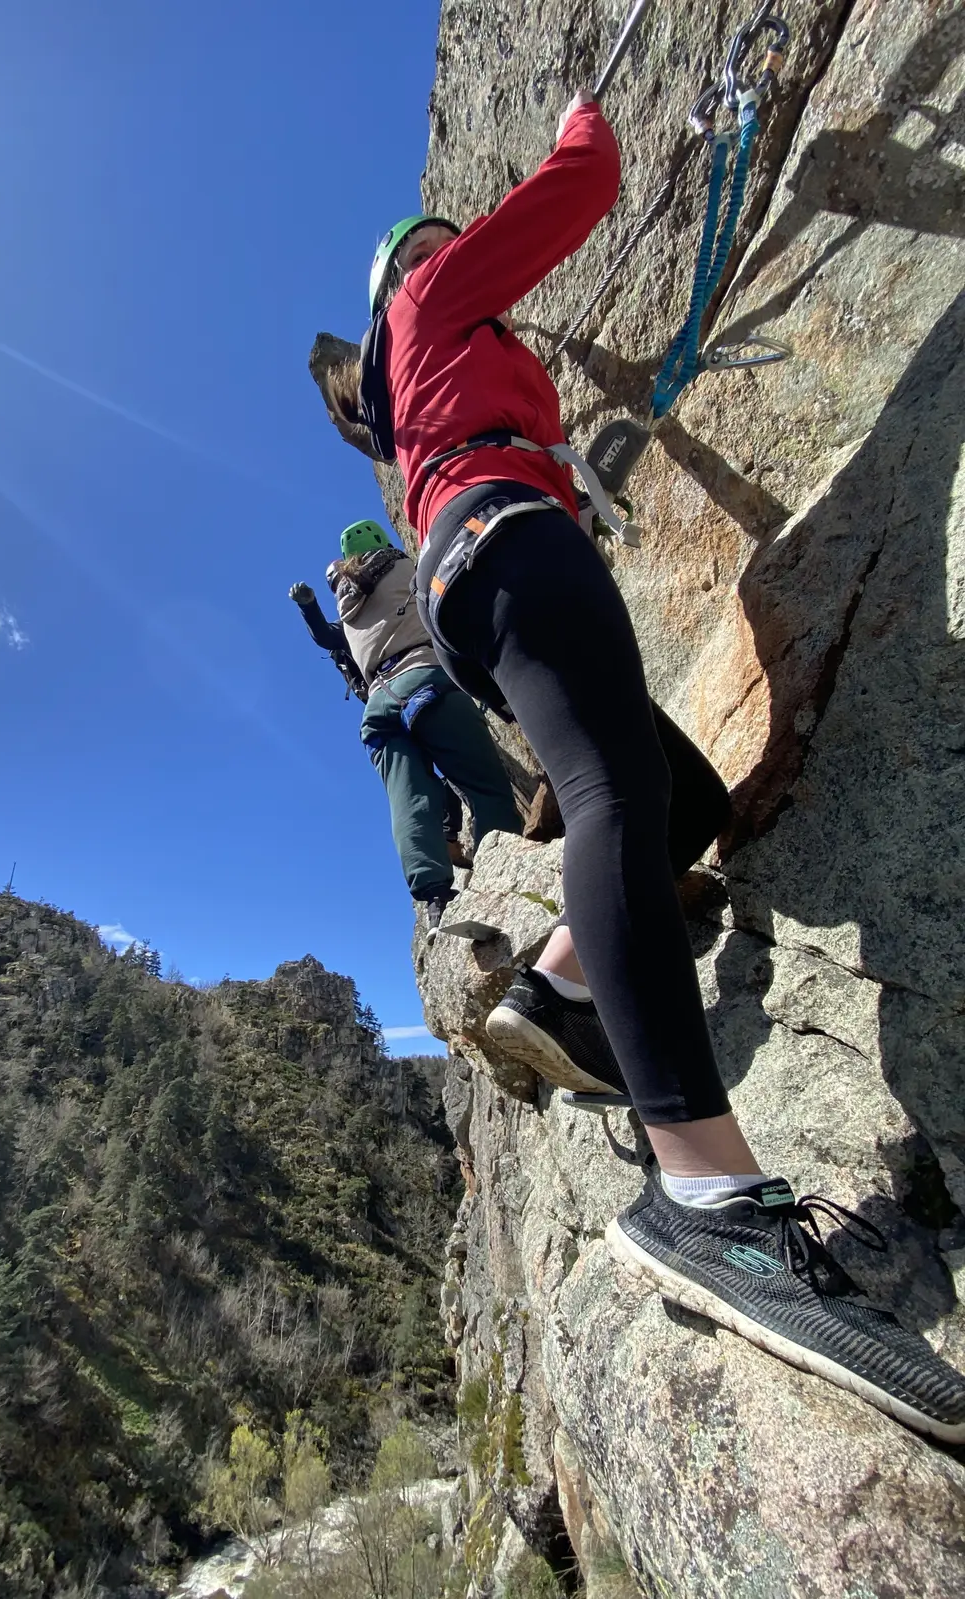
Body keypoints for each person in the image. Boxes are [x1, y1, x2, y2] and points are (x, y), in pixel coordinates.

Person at [326, 92, 965, 1439]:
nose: (458, 249)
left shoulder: (427, 407)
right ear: (413, 269)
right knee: (616, 795)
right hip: (510, 545)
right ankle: (707, 1195)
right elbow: (581, 188)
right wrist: (581, 116)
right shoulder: (431, 303)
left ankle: (562, 992)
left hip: (489, 558)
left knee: (683, 798)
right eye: (439, 242)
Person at [303, 518, 522, 937]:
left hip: (379, 711)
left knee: (409, 801)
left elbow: (325, 638)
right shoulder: (409, 567)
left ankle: (435, 897)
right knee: (486, 787)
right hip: (425, 680)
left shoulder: (346, 605)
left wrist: (308, 607)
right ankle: (505, 876)